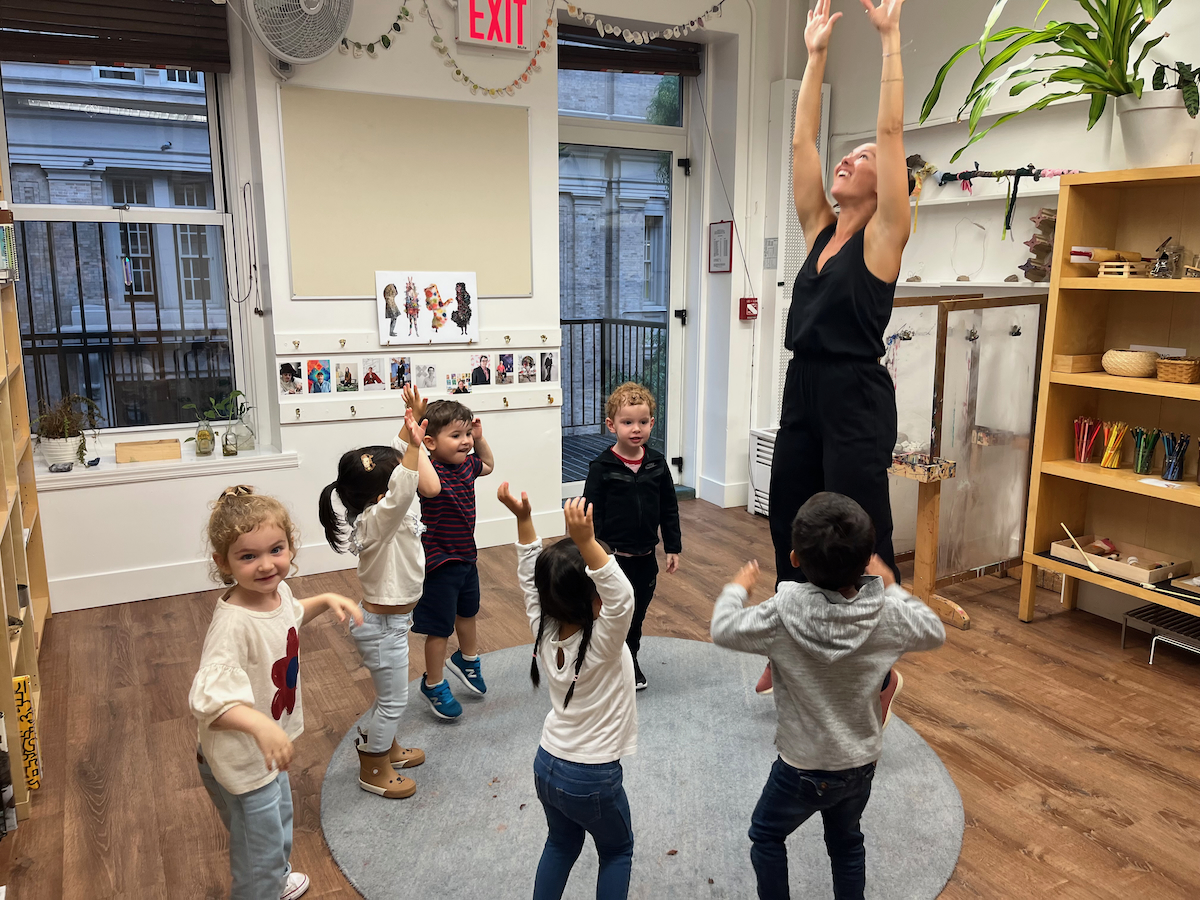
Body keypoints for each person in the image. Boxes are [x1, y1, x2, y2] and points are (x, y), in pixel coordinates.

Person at [761, 0, 913, 696]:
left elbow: (888, 128)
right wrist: (814, 57)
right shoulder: (821, 228)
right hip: (804, 387)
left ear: (887, 181)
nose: (847, 160)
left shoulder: (885, 237)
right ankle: (791, 640)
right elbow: (802, 148)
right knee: (790, 512)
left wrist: (888, 40)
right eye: (846, 155)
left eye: (862, 158)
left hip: (855, 394)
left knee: (859, 526)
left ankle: (877, 664)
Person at [711, 492, 945, 900]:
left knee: (765, 835)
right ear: (868, 557)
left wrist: (737, 588)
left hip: (802, 766)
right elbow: (933, 630)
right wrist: (892, 588)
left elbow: (723, 628)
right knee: (846, 841)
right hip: (860, 762)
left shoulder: (779, 614)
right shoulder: (888, 613)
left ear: (796, 559)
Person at [190, 485, 363, 900]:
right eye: (248, 556)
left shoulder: (275, 593)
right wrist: (260, 727)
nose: (266, 565)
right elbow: (209, 699)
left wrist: (326, 597)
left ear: (291, 546)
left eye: (276, 549)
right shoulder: (232, 625)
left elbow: (289, 616)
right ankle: (263, 887)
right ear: (223, 563)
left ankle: (274, 877)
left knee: (276, 819)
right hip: (242, 754)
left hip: (260, 751)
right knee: (258, 853)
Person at [497, 486, 638, 900]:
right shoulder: (605, 641)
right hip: (592, 776)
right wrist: (587, 542)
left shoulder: (542, 627)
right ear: (596, 601)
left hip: (547, 766)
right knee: (618, 850)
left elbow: (529, 576)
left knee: (560, 843)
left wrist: (524, 519)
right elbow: (623, 597)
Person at [318, 393, 440, 799]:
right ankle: (373, 766)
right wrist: (413, 447)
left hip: (393, 623)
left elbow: (405, 483)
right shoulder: (375, 520)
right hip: (383, 628)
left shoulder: (391, 510)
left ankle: (381, 743)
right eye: (392, 484)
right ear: (379, 496)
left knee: (390, 697)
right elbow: (404, 486)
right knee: (393, 701)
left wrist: (411, 426)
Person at [582, 382, 681, 690]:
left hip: (645, 557)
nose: (635, 429)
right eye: (627, 422)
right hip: (613, 558)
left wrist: (673, 547)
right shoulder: (602, 467)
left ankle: (630, 657)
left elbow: (669, 507)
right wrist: (595, 551)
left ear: (652, 422)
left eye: (642, 422)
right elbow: (590, 513)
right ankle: (602, 661)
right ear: (612, 425)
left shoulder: (656, 463)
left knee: (636, 615)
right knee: (613, 614)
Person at [413, 400, 495, 718]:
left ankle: (467, 660)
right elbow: (431, 490)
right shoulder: (428, 471)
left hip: (465, 557)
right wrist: (416, 444)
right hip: (438, 563)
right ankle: (433, 683)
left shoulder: (466, 466)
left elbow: (487, 464)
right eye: (456, 435)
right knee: (439, 628)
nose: (465, 441)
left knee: (468, 613)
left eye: (467, 435)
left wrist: (480, 436)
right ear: (431, 443)